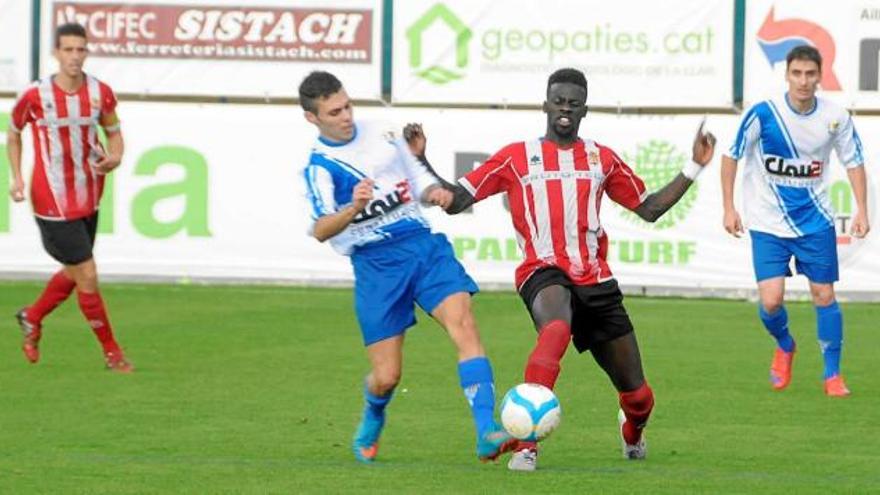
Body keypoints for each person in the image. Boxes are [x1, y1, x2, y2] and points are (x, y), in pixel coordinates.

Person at [405, 67, 715, 471]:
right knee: (556, 330)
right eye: (558, 101)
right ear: (545, 105)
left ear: (584, 110)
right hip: (542, 271)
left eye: (573, 103)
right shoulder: (517, 158)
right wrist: (421, 160)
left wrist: (694, 166)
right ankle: (526, 444)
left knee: (638, 396)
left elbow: (650, 208)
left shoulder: (600, 158)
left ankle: (633, 429)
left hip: (596, 280)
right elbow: (458, 199)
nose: (564, 109)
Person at [297, 71, 515, 464]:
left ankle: (486, 430)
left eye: (347, 105)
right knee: (387, 377)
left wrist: (434, 192)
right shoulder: (320, 167)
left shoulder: (382, 133)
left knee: (463, 323)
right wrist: (353, 208)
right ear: (313, 118)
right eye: (334, 112)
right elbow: (319, 229)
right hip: (375, 265)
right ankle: (374, 412)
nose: (346, 116)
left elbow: (416, 180)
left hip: (421, 245)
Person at [721, 45, 868, 397]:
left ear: (820, 76)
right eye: (797, 73)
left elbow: (853, 161)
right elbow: (731, 157)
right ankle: (785, 345)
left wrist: (862, 208)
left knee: (824, 294)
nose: (803, 81)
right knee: (771, 301)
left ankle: (832, 375)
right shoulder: (763, 113)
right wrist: (728, 207)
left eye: (810, 74)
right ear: (787, 75)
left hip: (815, 221)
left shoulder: (836, 117)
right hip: (767, 222)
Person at [7, 23, 132, 372]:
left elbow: (114, 131)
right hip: (52, 200)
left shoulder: (99, 92)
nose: (75, 56)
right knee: (88, 273)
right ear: (56, 53)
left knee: (74, 271)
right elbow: (13, 133)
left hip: (89, 193)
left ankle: (32, 317)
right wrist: (15, 176)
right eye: (68, 50)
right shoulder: (36, 95)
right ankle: (112, 353)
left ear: (86, 52)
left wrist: (116, 155)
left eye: (81, 50)